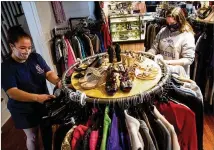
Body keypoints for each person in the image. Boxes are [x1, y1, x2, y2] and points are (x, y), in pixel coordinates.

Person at [1, 26, 62, 150]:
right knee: (32, 136)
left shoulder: (35, 57)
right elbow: (13, 92)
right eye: (22, 48)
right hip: (23, 110)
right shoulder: (6, 67)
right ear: (12, 46)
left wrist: (57, 81)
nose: (27, 51)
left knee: (47, 131)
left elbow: (48, 73)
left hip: (43, 103)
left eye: (29, 47)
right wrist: (37, 97)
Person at [148, 7, 196, 77]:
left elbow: (188, 59)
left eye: (173, 23)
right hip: (162, 72)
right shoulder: (163, 31)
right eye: (168, 22)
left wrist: (168, 62)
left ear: (180, 21)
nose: (170, 25)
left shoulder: (187, 35)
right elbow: (154, 48)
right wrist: (148, 55)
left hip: (178, 76)